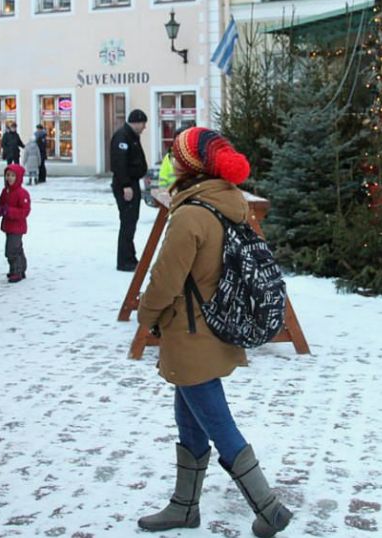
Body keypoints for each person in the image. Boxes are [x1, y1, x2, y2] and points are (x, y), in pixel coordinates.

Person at [137, 127, 292, 536]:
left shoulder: (190, 214)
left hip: (191, 336)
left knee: (218, 424)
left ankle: (268, 506)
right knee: (188, 419)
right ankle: (184, 506)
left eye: (175, 157)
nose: (169, 163)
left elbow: (166, 281)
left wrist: (144, 314)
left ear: (189, 167)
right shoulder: (227, 203)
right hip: (213, 328)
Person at [109, 108, 148, 271]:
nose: (144, 127)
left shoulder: (132, 136)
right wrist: (126, 185)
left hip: (132, 183)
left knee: (131, 222)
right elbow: (119, 164)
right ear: (136, 122)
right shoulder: (122, 137)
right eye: (143, 124)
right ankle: (125, 261)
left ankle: (130, 257)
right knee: (128, 222)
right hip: (126, 185)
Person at [0, 163, 31, 283]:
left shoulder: (22, 193)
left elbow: (24, 211)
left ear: (18, 177)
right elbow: (0, 203)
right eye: (7, 175)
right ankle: (20, 269)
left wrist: (9, 211)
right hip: (8, 226)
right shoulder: (6, 191)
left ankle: (16, 271)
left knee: (11, 250)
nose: (9, 178)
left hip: (17, 227)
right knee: (17, 248)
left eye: (13, 175)